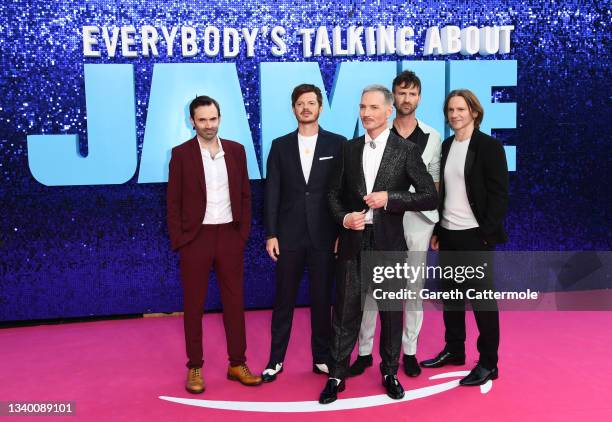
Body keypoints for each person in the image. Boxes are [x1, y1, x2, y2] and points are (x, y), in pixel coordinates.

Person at [319, 85, 438, 404]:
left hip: (388, 243)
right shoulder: (348, 148)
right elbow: (332, 194)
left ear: (388, 111)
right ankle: (336, 374)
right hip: (353, 240)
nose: (366, 113)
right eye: (362, 107)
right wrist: (344, 219)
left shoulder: (406, 150)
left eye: (373, 107)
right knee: (344, 310)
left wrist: (392, 198)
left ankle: (389, 372)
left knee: (389, 311)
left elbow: (429, 195)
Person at [167, 95, 262, 394]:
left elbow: (245, 195)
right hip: (196, 239)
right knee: (193, 305)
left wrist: (241, 233)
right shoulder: (181, 154)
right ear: (192, 121)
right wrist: (181, 241)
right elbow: (173, 202)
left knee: (235, 303)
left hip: (229, 237)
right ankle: (195, 366)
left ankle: (238, 363)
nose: (209, 125)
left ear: (220, 119)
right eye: (202, 120)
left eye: (213, 119)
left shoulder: (236, 151)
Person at [349, 71, 442, 379]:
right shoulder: (371, 133)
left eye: (412, 93)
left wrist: (436, 226)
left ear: (419, 97)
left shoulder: (431, 137)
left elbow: (434, 186)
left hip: (417, 221)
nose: (406, 99)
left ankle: (410, 351)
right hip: (382, 220)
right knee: (372, 287)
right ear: (392, 100)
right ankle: (364, 351)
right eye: (401, 93)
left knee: (413, 288)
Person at [419, 89, 509, 386]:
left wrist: (485, 233)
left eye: (460, 109)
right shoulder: (446, 146)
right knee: (452, 298)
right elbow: (443, 193)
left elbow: (499, 196)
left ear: (474, 112)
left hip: (476, 237)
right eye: (451, 110)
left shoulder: (489, 147)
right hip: (449, 235)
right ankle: (454, 350)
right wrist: (438, 230)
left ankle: (488, 363)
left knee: (482, 302)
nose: (455, 115)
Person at [262, 84, 346, 382]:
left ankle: (322, 358)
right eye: (300, 103)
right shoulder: (280, 145)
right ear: (293, 108)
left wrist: (341, 231)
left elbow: (344, 192)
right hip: (288, 237)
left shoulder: (338, 144)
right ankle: (275, 360)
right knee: (283, 299)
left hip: (325, 236)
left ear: (320, 107)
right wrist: (271, 233)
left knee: (323, 300)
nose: (306, 108)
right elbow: (271, 192)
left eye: (312, 102)